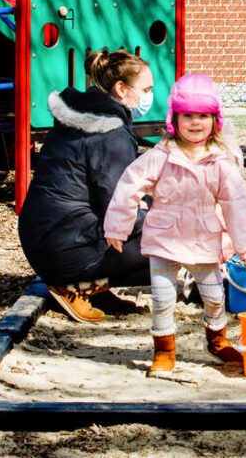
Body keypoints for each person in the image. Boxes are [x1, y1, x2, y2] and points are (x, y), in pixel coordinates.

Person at [104, 73, 246, 377]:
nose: (195, 122)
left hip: (203, 240)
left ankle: (216, 340)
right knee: (163, 298)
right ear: (173, 120)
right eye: (188, 115)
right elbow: (129, 185)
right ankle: (164, 350)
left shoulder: (220, 162)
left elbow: (237, 205)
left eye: (203, 116)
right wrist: (117, 227)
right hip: (165, 239)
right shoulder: (161, 156)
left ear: (215, 120)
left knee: (215, 296)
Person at [18, 48, 155, 324]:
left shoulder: (79, 117)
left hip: (44, 237)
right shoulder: (111, 135)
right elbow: (117, 209)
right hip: (68, 247)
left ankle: (94, 287)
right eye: (146, 89)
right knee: (172, 241)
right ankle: (76, 285)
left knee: (153, 212)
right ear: (121, 89)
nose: (149, 96)